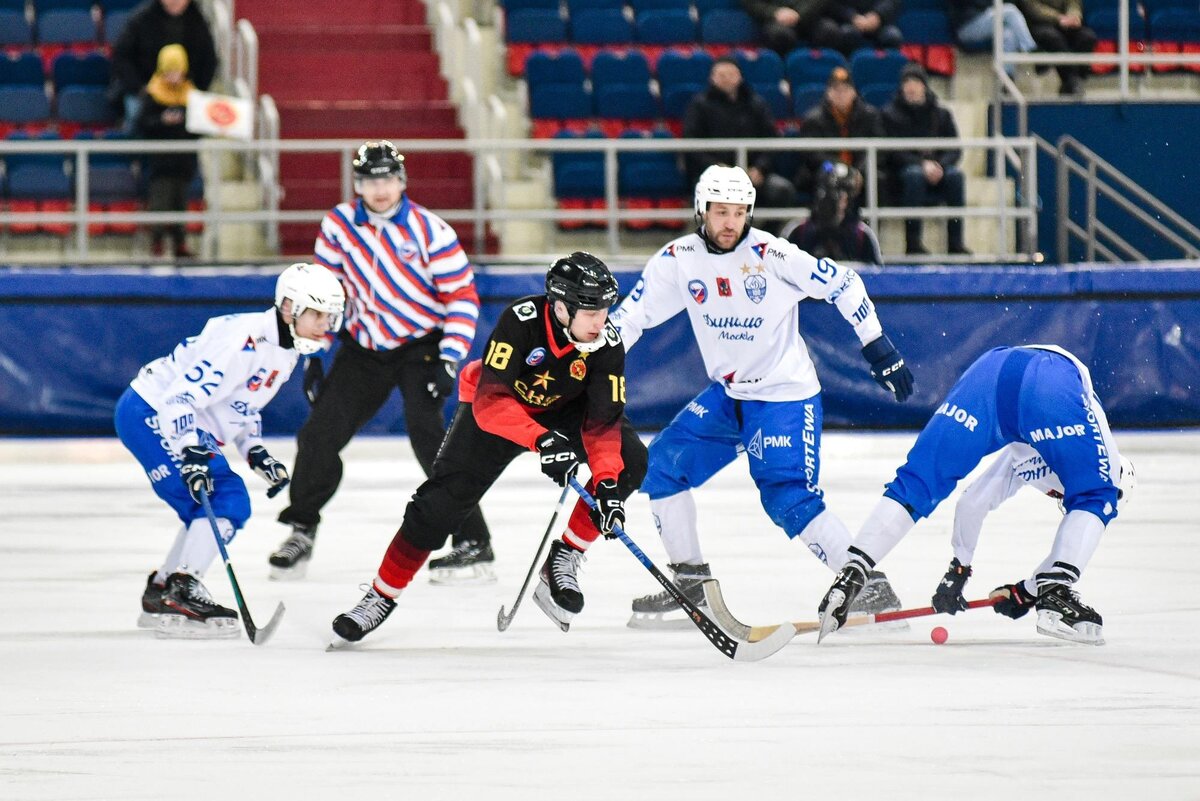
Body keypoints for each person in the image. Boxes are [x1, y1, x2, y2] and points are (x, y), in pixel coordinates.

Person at [610, 165, 913, 628]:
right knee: (662, 468)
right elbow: (629, 321)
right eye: (720, 212)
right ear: (701, 211)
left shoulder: (773, 255)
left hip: (783, 396)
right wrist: (586, 366)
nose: (730, 222)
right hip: (729, 394)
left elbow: (844, 283)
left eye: (738, 212)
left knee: (787, 496)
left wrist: (878, 345)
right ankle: (691, 581)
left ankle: (868, 586)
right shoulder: (678, 259)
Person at [329, 253, 649, 645]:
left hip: (566, 411)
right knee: (437, 507)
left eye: (605, 309)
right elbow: (491, 403)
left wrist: (608, 488)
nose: (601, 320)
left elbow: (603, 425)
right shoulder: (522, 320)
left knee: (630, 461)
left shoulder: (605, 342)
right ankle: (380, 595)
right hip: (503, 412)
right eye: (591, 311)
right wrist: (543, 441)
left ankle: (564, 556)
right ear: (561, 308)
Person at [268, 140, 493, 583]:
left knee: (433, 442)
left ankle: (474, 540)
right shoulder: (337, 225)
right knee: (318, 436)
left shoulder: (432, 231)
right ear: (358, 185)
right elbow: (323, 293)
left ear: (402, 181)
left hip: (421, 348)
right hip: (362, 348)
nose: (381, 189)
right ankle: (301, 528)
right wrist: (314, 352)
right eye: (371, 180)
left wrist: (449, 360)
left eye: (388, 178)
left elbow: (462, 298)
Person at [817, 345, 1127, 646]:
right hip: (1048, 379)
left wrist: (961, 569)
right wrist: (1042, 588)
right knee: (1096, 496)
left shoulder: (1028, 456)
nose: (1060, 500)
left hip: (989, 373)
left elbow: (973, 502)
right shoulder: (1107, 467)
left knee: (919, 481)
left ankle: (853, 572)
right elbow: (1094, 500)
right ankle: (1059, 595)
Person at [113, 263, 345, 638]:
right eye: (318, 314)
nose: (325, 325)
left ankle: (164, 590)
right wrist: (191, 454)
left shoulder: (286, 350)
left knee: (216, 502)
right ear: (289, 309)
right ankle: (181, 590)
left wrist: (256, 453)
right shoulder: (243, 340)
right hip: (152, 411)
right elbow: (178, 399)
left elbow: (240, 407)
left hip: (173, 416)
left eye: (331, 316)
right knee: (222, 499)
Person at [682, 57, 797, 233]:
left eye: (731, 74)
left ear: (740, 77)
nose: (727, 78)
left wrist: (760, 168)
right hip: (713, 175)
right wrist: (716, 168)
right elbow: (692, 144)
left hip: (752, 173)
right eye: (721, 75)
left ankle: (764, 238)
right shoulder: (699, 105)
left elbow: (772, 141)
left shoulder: (756, 103)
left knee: (782, 190)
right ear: (712, 78)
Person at [880, 63, 971, 256]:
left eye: (916, 82)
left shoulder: (941, 114)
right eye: (907, 83)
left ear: (924, 86)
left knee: (956, 176)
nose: (911, 87)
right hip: (902, 173)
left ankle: (955, 243)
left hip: (938, 169)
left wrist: (940, 166)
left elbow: (954, 148)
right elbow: (892, 152)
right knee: (914, 176)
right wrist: (921, 165)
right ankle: (912, 244)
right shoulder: (890, 114)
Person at [110, 0, 217, 132]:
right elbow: (122, 56)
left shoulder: (198, 21)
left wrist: (197, 89)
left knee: (196, 120)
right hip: (144, 91)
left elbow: (209, 60)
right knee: (136, 116)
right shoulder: (142, 18)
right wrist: (140, 88)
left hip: (185, 92)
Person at [136, 44, 198, 259]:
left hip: (184, 162)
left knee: (181, 202)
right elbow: (142, 123)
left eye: (177, 70)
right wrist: (162, 121)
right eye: (169, 71)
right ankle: (157, 241)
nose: (173, 76)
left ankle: (180, 241)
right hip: (160, 162)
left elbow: (198, 126)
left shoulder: (191, 95)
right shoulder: (152, 94)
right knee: (160, 202)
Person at [795, 67, 885, 198]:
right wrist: (843, 169)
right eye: (836, 90)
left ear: (854, 92)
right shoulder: (813, 119)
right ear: (828, 93)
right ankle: (827, 217)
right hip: (827, 168)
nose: (841, 94)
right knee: (827, 174)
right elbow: (813, 155)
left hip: (861, 169)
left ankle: (873, 219)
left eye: (845, 90)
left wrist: (859, 171)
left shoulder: (870, 116)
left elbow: (879, 148)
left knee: (876, 177)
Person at [784, 161, 882, 264]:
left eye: (843, 194)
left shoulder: (862, 235)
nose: (840, 201)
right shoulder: (799, 231)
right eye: (830, 193)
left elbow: (876, 275)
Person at [1017, 0, 1096, 95]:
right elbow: (1033, 9)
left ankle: (1074, 81)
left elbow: (1073, 3)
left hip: (1066, 23)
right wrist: (1058, 18)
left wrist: (1074, 16)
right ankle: (1072, 80)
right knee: (1053, 38)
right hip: (1040, 24)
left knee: (1087, 37)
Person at [949, 0, 1036, 77]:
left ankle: (1007, 77)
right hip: (965, 27)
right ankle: (1032, 49)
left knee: (1008, 34)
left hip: (981, 19)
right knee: (1011, 12)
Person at [810, 0, 903, 57]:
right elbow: (832, 4)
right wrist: (852, 17)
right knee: (848, 34)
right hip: (848, 22)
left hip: (877, 22)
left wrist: (878, 15)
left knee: (893, 36)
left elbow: (891, 2)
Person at [742, 0, 833, 56]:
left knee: (829, 31)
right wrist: (774, 13)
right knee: (781, 35)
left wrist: (799, 14)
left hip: (808, 15)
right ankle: (785, 77)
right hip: (775, 18)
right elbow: (752, 3)